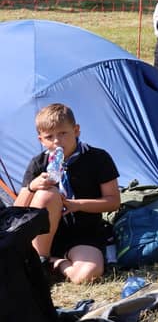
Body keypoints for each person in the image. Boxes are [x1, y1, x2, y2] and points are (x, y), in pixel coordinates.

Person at [15, 103, 120, 284]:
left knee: (89, 274)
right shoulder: (38, 163)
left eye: (63, 133)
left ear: (76, 130)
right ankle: (41, 259)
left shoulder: (97, 158)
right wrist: (32, 187)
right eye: (49, 137)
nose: (56, 141)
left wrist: (77, 205)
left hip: (83, 232)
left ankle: (53, 263)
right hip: (44, 236)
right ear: (41, 140)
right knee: (47, 194)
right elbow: (16, 212)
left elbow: (113, 202)